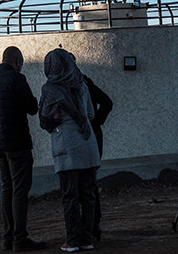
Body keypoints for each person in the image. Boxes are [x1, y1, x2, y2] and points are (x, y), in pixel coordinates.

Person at [0, 46, 45, 252]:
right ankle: (20, 238)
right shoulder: (17, 79)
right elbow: (32, 108)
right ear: (17, 61)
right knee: (19, 191)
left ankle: (8, 237)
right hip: (17, 142)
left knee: (6, 188)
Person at [39, 49, 100, 253]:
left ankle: (72, 241)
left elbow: (45, 118)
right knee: (88, 194)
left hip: (66, 144)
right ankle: (87, 239)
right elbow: (91, 113)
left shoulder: (50, 89)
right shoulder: (81, 84)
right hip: (88, 143)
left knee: (70, 195)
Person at [81, 74, 112, 242]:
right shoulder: (84, 82)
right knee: (90, 182)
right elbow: (107, 102)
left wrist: (95, 124)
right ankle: (93, 224)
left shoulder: (82, 83)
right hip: (92, 139)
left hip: (87, 139)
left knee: (87, 183)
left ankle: (92, 223)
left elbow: (107, 102)